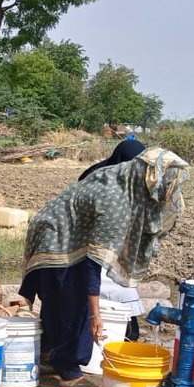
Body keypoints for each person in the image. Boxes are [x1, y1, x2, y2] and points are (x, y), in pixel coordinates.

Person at [20, 146, 189, 385]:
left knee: (65, 301)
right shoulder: (114, 199)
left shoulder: (126, 182)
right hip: (56, 237)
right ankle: (68, 370)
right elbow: (91, 264)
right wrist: (96, 315)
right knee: (72, 303)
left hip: (71, 236)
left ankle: (50, 353)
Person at [80, 140, 152, 341]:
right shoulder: (96, 177)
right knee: (96, 285)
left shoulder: (133, 178)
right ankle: (95, 324)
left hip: (117, 243)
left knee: (121, 285)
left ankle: (126, 327)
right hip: (92, 241)